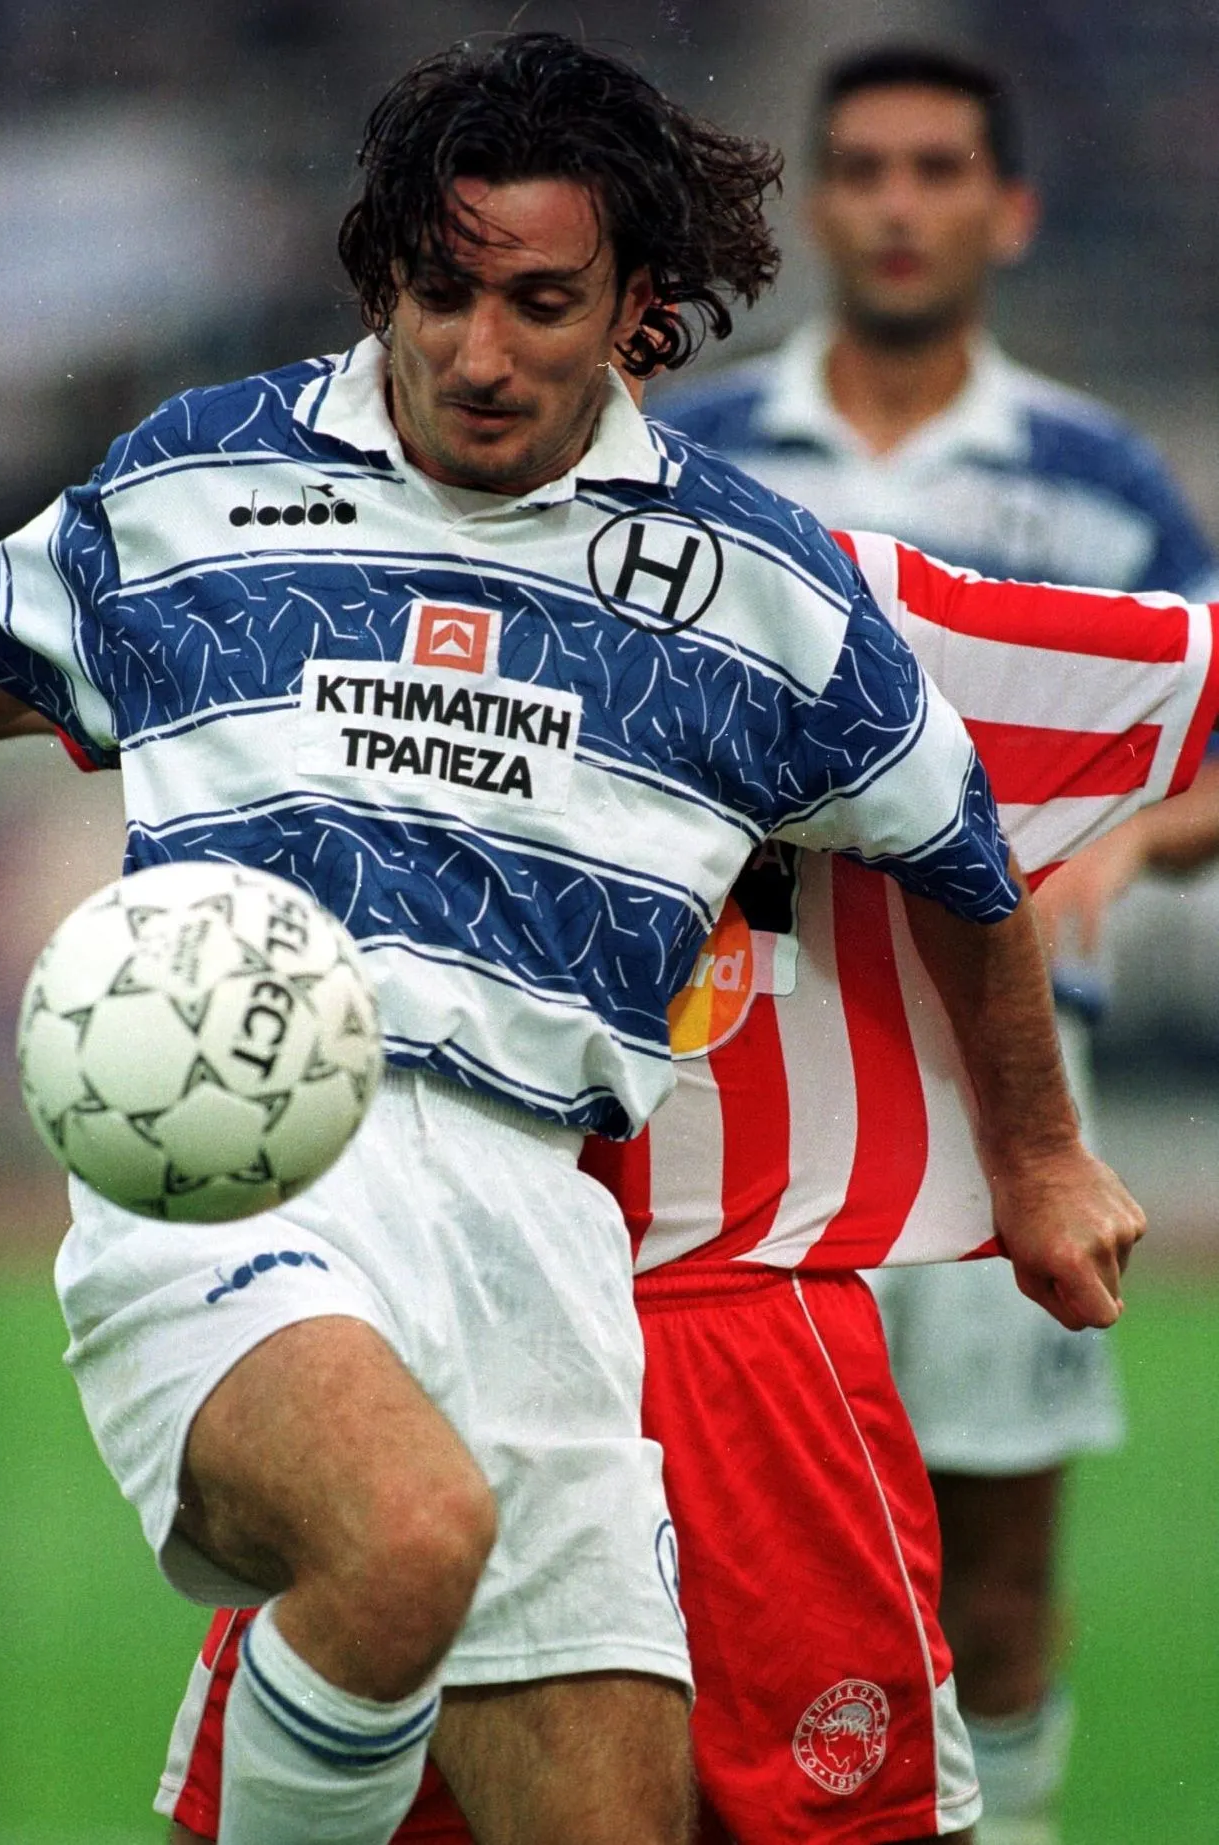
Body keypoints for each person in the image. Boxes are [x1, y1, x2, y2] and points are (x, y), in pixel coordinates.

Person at [0, 31, 1143, 1845]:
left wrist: (1040, 1159)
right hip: (236, 1153)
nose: (477, 353)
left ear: (639, 308)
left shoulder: (759, 588)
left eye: (538, 302)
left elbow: (957, 847)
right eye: (440, 293)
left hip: (542, 1223)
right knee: (405, 1533)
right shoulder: (192, 485)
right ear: (385, 277)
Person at [151, 532, 1219, 1845]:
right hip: (431, 1308)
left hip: (734, 1330)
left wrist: (1039, 1138)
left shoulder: (809, 589)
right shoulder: (304, 561)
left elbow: (998, 806)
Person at [656, 43, 1219, 1844]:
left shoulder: (1097, 476)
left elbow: (1203, 729)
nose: (900, 204)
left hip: (999, 1103)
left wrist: (1124, 843)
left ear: (1009, 208)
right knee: (697, 1566)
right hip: (729, 1088)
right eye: (867, 169)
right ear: (816, 206)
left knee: (997, 1564)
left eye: (939, 169)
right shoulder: (694, 447)